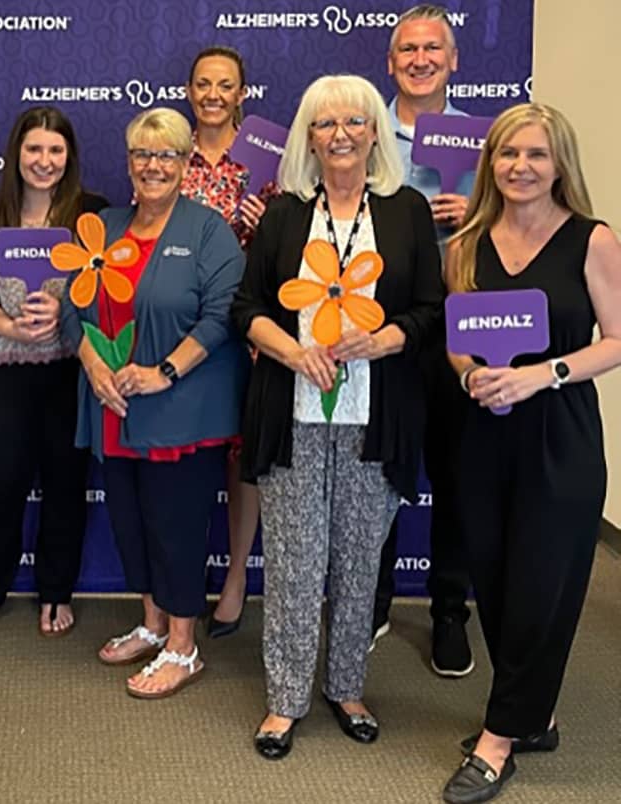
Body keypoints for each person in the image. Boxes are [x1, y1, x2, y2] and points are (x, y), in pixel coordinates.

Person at [231, 75, 443, 758]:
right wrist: (292, 350)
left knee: (358, 562)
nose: (341, 135)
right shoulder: (287, 213)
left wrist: (386, 339)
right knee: (293, 563)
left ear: (375, 132)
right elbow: (247, 308)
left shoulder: (407, 210)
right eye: (326, 124)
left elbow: (431, 310)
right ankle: (286, 699)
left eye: (355, 121)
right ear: (309, 138)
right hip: (292, 414)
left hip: (375, 417)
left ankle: (347, 686)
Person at [440, 103, 621, 804]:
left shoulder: (592, 240)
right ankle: (535, 715)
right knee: (497, 579)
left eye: (537, 155)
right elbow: (457, 336)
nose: (521, 167)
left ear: (559, 165)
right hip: (483, 432)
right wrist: (468, 374)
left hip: (560, 435)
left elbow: (615, 338)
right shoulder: (466, 241)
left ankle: (498, 739)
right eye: (509, 154)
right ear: (490, 162)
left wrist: (542, 373)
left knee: (544, 587)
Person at [67, 108, 246, 698]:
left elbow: (224, 313)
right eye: (143, 155)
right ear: (128, 163)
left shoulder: (207, 229)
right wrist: (94, 363)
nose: (153, 166)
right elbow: (74, 306)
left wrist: (165, 371)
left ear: (185, 162)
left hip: (180, 410)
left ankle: (182, 644)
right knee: (132, 524)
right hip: (115, 409)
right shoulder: (103, 225)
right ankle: (151, 623)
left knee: (177, 530)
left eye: (166, 155)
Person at [0, 107, 105, 639]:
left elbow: (111, 289)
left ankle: (56, 592)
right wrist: (11, 327)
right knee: (3, 484)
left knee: (67, 486)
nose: (45, 161)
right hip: (7, 374)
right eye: (35, 149)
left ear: (70, 158)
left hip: (71, 374)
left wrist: (64, 321)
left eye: (55, 151)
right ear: (17, 153)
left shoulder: (93, 217)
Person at [373, 2, 478, 676]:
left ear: (453, 60)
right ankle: (371, 600)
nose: (419, 60)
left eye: (431, 49)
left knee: (458, 475)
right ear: (391, 62)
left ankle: (448, 611)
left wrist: (480, 212)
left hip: (462, 324)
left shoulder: (487, 138)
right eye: (407, 49)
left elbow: (526, 221)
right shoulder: (364, 130)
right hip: (381, 326)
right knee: (377, 471)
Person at [180, 45, 274, 638]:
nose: (213, 94)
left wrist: (272, 224)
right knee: (187, 461)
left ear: (243, 93)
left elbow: (295, 246)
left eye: (226, 85)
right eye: (203, 84)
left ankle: (236, 577)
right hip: (185, 325)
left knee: (244, 461)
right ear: (190, 90)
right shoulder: (169, 150)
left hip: (249, 326)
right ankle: (180, 582)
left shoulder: (271, 155)